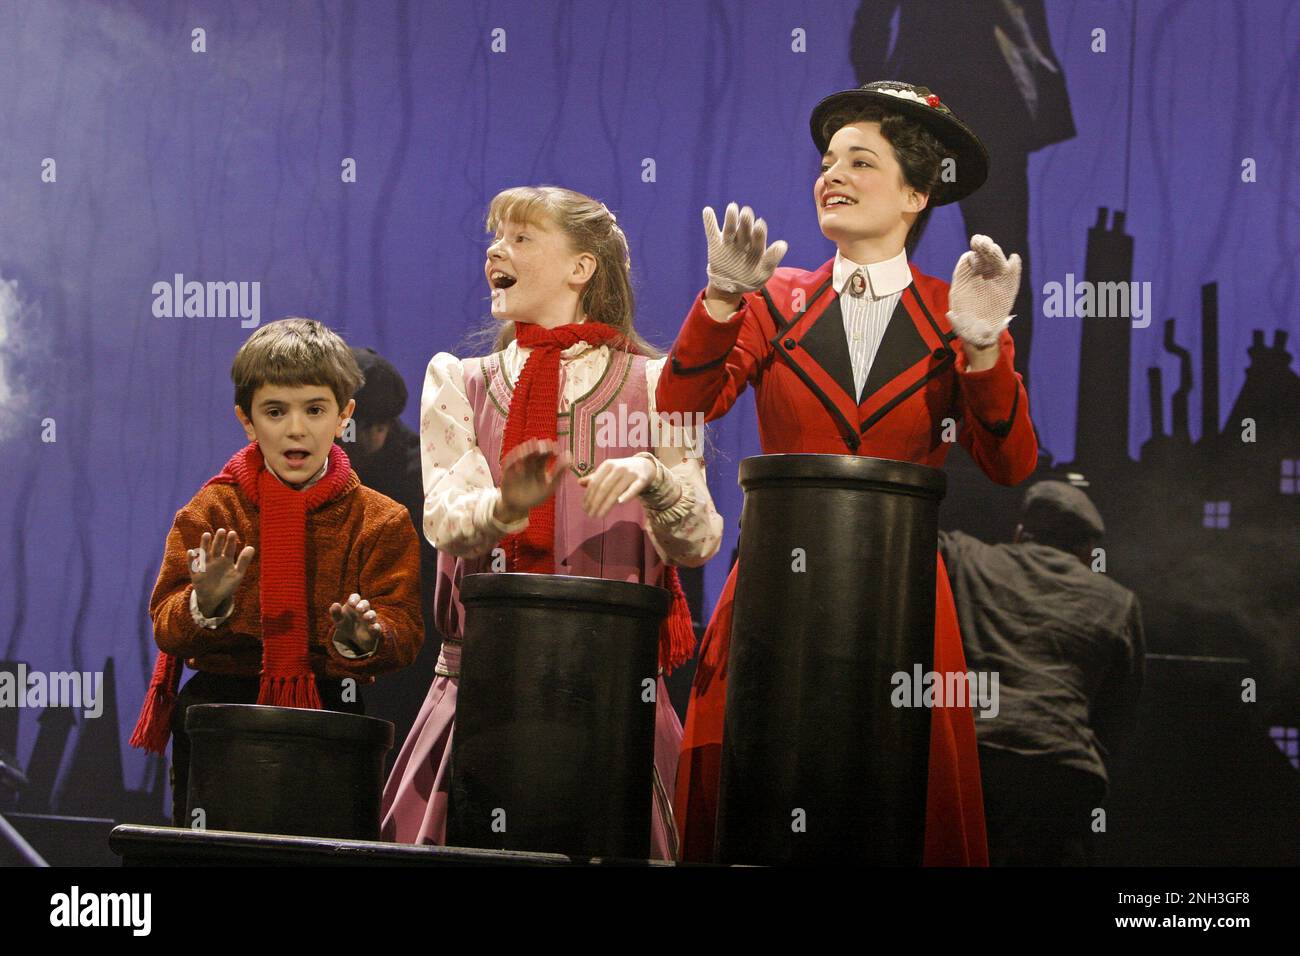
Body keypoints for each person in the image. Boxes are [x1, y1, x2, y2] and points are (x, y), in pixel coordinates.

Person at [656, 81, 1039, 864]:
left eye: (860, 162)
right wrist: (724, 300)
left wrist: (983, 351)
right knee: (754, 805)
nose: (831, 174)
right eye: (828, 160)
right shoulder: (776, 302)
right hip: (775, 591)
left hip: (901, 601)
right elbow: (680, 408)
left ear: (916, 193)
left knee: (892, 810)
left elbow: (1010, 465)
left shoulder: (953, 310)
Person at [380, 186, 723, 860]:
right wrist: (507, 507)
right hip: (481, 690)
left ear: (581, 268)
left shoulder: (660, 384)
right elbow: (447, 519)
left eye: (521, 237)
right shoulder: (460, 380)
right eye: (494, 237)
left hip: (612, 697)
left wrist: (655, 478)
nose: (495, 251)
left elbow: (700, 539)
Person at [129, 318, 426, 826]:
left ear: (343, 416)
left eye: (315, 410)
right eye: (275, 411)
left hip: (332, 722)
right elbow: (167, 627)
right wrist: (208, 604)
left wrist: (366, 636)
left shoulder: (382, 520)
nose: (296, 428)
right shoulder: (212, 511)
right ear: (247, 421)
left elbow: (407, 632)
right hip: (218, 722)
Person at [938, 480, 1145, 865]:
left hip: (974, 760)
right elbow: (1118, 718)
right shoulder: (1118, 601)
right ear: (1088, 550)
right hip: (1062, 772)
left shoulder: (965, 556)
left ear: (1020, 532)